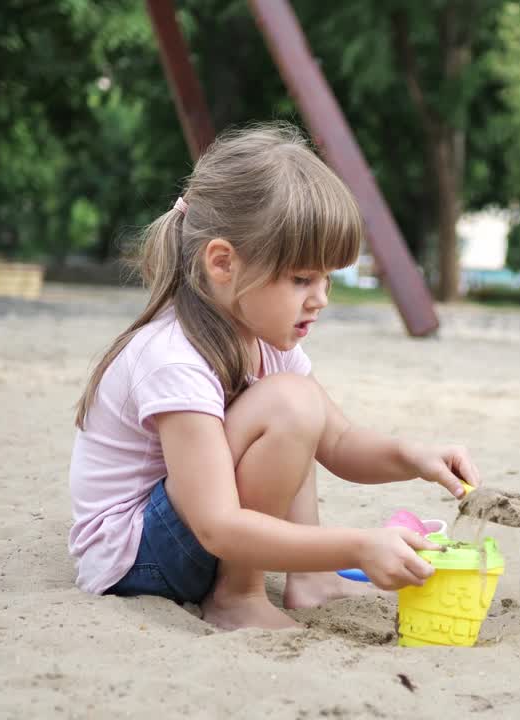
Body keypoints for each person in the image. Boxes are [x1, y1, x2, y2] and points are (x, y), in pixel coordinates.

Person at [68, 125, 479, 630]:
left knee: (296, 403)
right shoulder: (174, 358)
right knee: (289, 404)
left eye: (328, 278)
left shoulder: (266, 336)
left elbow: (340, 441)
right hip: (138, 559)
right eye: (301, 279)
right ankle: (238, 596)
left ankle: (310, 580)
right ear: (223, 263)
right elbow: (217, 526)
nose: (321, 297)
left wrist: (412, 457)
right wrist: (357, 544)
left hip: (193, 531)